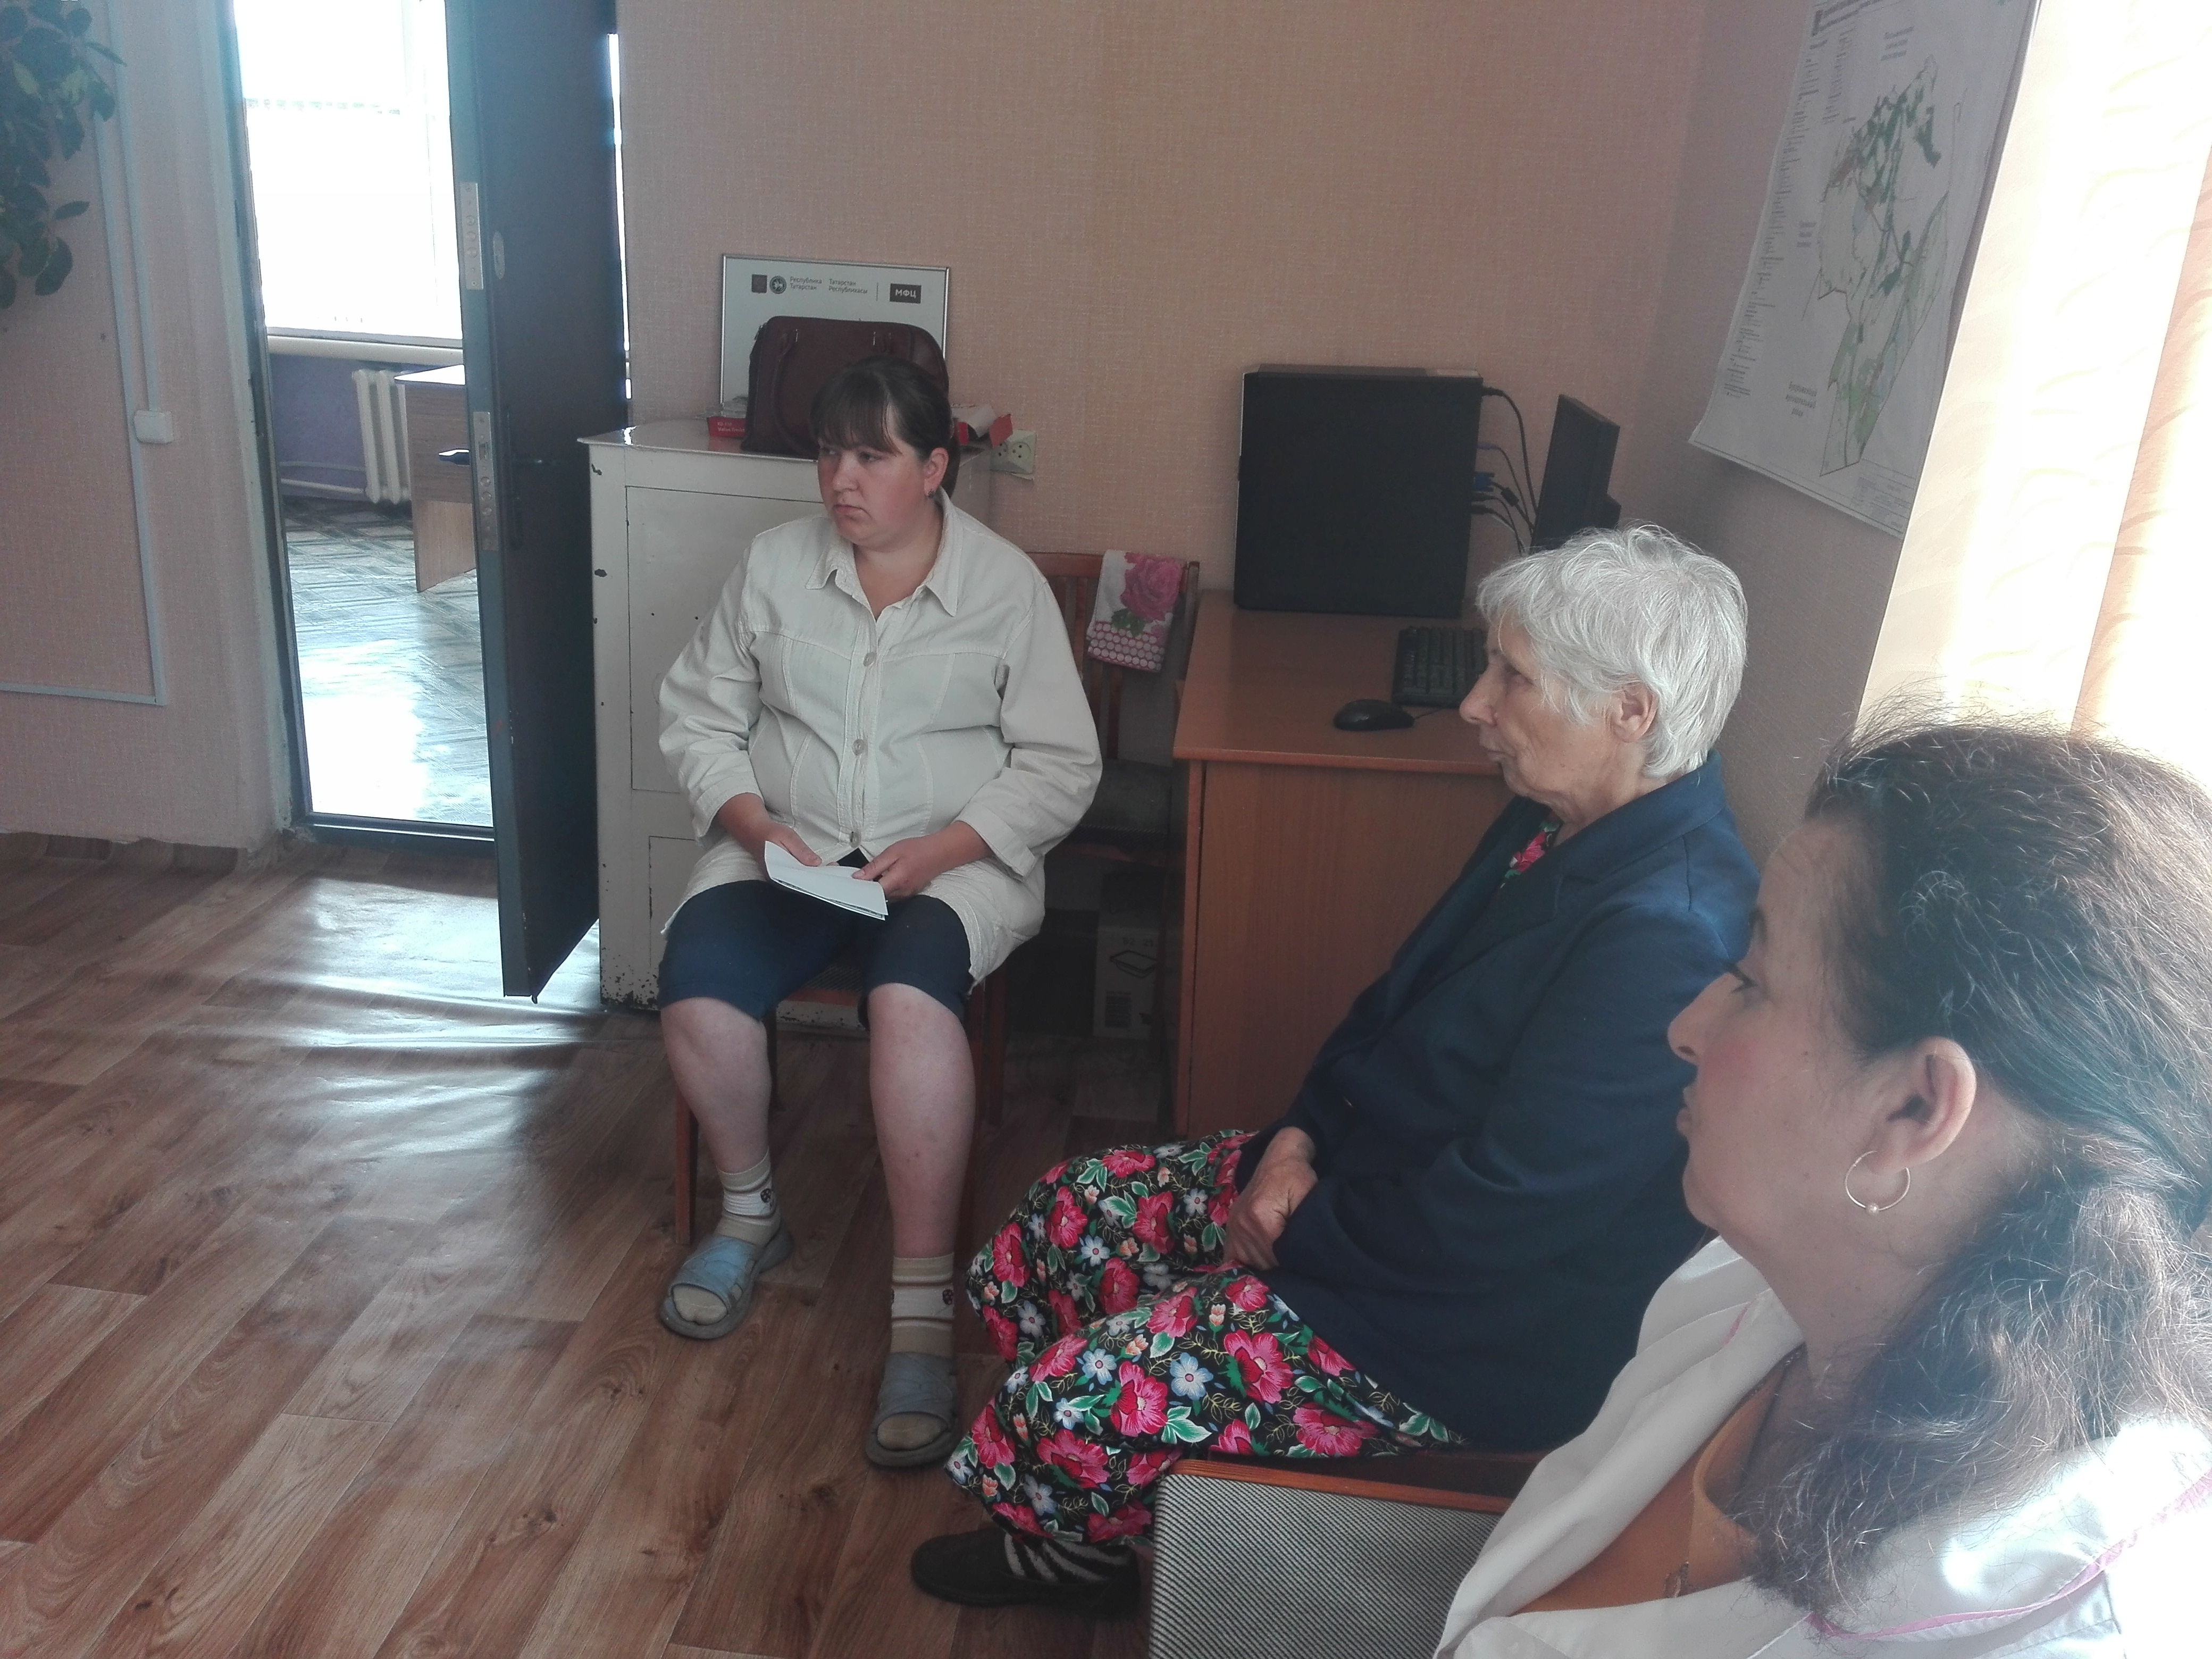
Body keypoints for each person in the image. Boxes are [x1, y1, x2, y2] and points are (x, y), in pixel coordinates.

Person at [910, 525, 1758, 1611]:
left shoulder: (1667, 931)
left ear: (1630, 712)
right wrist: (1296, 1141)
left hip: (1462, 1326)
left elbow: (1502, 1216)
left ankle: (1082, 1522)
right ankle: (1105, 1512)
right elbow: (1391, 1001)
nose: (1476, 705)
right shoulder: (1554, 819)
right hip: (1357, 1182)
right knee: (1062, 1220)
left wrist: (1293, 1228)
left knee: (1070, 1400)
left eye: (1513, 677)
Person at [1437, 719, 2212, 1655]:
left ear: (1913, 1111)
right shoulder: (1756, 1287)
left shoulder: (2060, 1633)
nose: (1686, 1028)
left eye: (1749, 980)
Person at [655, 356, 1101, 1469]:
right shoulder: (773, 566)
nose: (841, 480)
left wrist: (945, 850)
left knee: (908, 1002)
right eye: (828, 454)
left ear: (935, 467)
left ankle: (919, 1308)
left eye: (872, 456)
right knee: (699, 989)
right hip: (793, 848)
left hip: (947, 861)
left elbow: (1061, 763)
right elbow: (698, 717)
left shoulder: (1004, 588)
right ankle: (751, 1216)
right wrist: (757, 828)